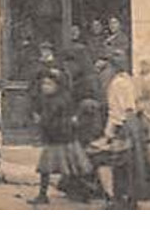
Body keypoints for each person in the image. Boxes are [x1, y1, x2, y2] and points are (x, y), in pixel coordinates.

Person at [96, 53, 150, 209]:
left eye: (107, 67)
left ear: (112, 67)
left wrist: (109, 133)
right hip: (133, 124)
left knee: (119, 165)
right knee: (135, 165)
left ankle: (119, 201)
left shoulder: (116, 84)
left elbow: (116, 112)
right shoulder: (129, 80)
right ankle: (131, 200)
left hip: (123, 126)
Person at [29, 72, 91, 205]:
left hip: (57, 138)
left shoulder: (55, 101)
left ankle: (43, 195)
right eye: (43, 84)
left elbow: (51, 121)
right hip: (65, 137)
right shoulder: (61, 98)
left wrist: (40, 121)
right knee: (73, 166)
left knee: (46, 168)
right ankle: (83, 193)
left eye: (49, 84)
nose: (44, 87)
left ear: (57, 85)